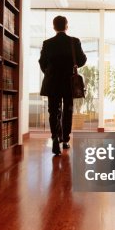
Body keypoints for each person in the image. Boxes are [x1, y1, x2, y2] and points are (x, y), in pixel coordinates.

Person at [39, 16, 87, 155]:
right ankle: (65, 140)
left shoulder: (47, 43)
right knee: (68, 111)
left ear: (54, 27)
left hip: (52, 82)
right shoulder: (74, 41)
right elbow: (82, 60)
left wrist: (49, 73)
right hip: (68, 82)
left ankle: (55, 138)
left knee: (53, 111)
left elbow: (42, 62)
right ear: (66, 26)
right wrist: (74, 65)